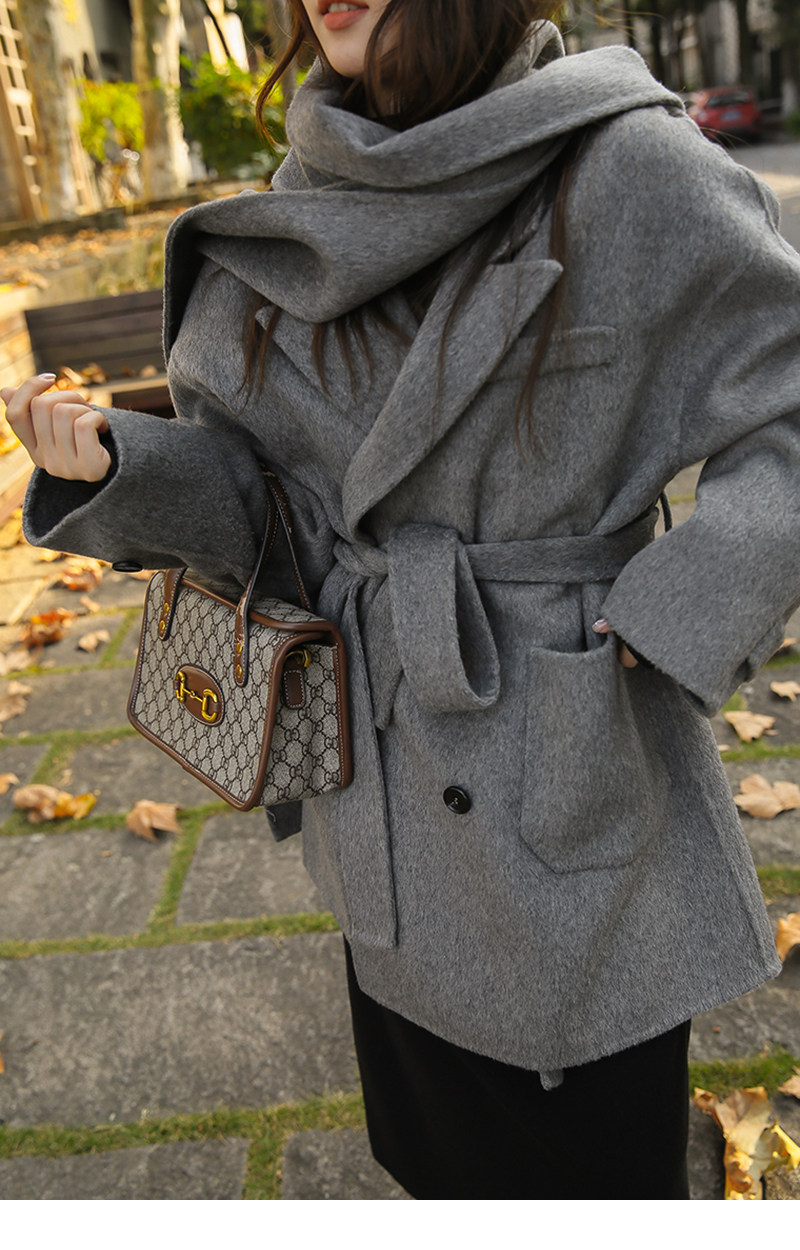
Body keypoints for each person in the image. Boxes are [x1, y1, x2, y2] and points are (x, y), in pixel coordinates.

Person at [3, 0, 799, 1200]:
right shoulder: (293, 216)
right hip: (381, 798)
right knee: (440, 1161)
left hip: (566, 768)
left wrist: (677, 611)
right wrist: (120, 470)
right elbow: (268, 513)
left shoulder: (620, 165)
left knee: (593, 1173)